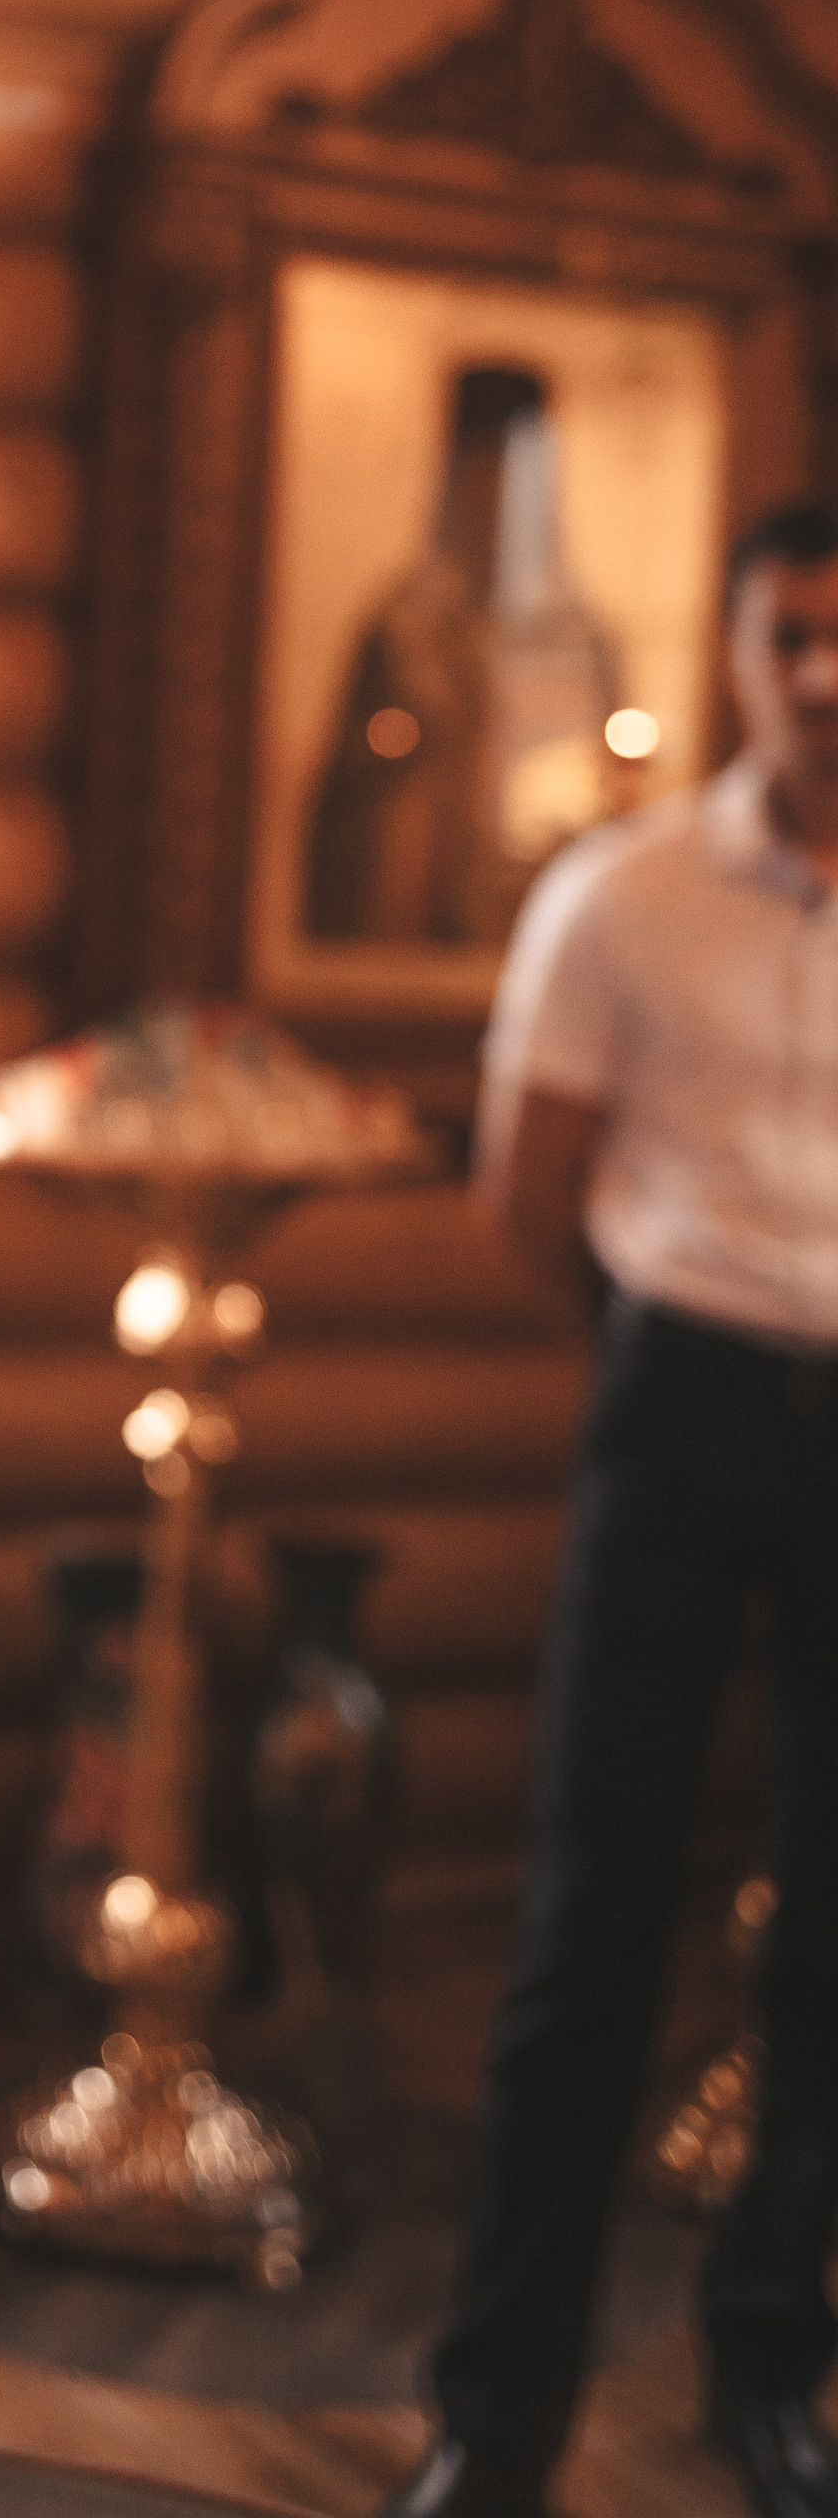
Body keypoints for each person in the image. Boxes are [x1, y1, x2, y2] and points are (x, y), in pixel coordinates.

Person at [385, 500, 838, 2518]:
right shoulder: (620, 896)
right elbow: (526, 1193)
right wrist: (656, 1359)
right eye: (789, 634)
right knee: (590, 1921)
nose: (821, 675)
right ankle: (497, 2425)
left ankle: (772, 2369)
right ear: (738, 651)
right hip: (680, 1403)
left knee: (834, 1938)